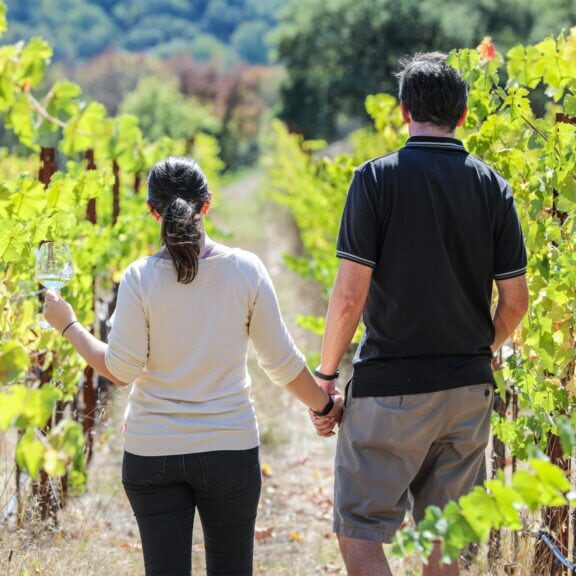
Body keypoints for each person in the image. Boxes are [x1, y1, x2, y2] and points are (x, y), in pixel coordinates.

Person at [43, 156, 343, 576]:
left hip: (152, 453)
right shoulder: (245, 270)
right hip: (230, 451)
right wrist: (326, 407)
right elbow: (281, 363)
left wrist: (69, 325)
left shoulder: (138, 278)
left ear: (152, 211)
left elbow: (121, 369)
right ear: (207, 205)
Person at [310, 52, 529, 576]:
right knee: (446, 542)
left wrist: (325, 376)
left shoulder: (375, 180)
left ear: (404, 110)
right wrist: (482, 348)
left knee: (359, 531)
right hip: (468, 391)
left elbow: (347, 298)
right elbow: (516, 303)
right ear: (466, 112)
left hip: (390, 388)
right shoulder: (493, 187)